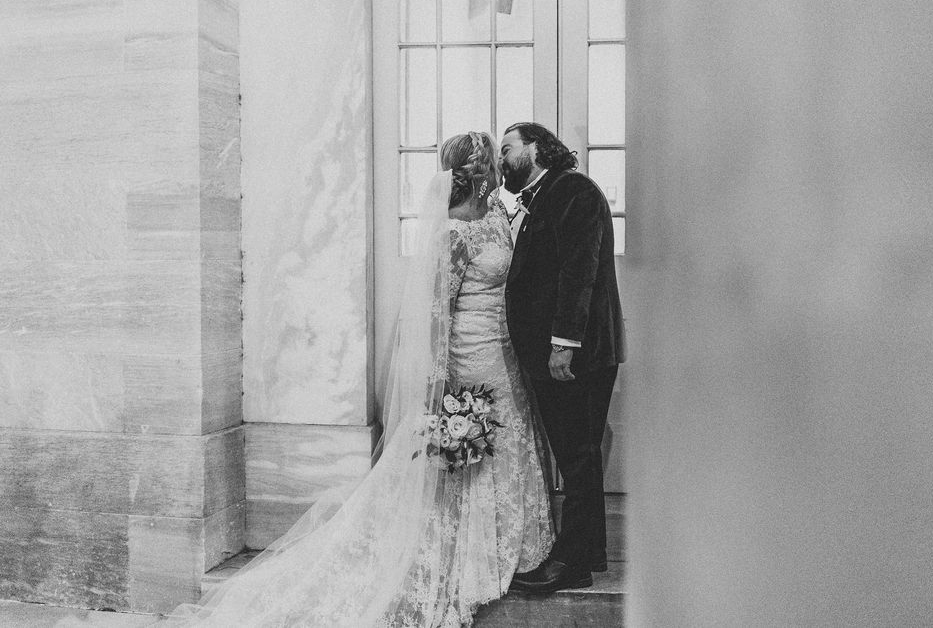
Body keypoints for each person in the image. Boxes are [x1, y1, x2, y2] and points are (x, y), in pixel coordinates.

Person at [166, 131, 554, 627]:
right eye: (492, 162)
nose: (500, 169)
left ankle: (514, 544)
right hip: (471, 358)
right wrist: (439, 389)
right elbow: (436, 314)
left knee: (512, 440)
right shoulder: (453, 233)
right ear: (478, 173)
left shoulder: (499, 215)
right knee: (473, 456)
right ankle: (470, 556)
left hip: (507, 353)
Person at [500, 122, 626, 594]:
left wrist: (562, 345)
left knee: (575, 455)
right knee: (578, 455)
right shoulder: (544, 195)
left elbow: (579, 271)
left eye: (508, 149)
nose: (502, 161)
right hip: (566, 352)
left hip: (578, 354)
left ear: (536, 147)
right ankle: (585, 557)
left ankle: (570, 563)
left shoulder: (571, 189)